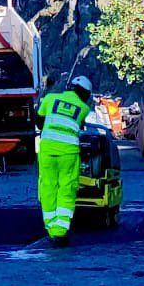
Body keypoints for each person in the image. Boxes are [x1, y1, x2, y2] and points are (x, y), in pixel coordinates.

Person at [36, 75, 93, 244]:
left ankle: (51, 227)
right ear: (86, 94)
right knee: (66, 188)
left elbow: (39, 121)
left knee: (48, 186)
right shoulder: (83, 108)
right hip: (68, 153)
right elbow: (80, 125)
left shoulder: (50, 98)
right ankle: (60, 231)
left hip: (47, 151)